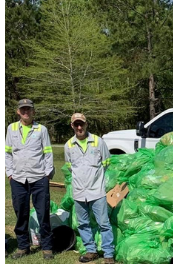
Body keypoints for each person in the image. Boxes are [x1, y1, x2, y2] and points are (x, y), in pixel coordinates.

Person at [5, 99, 54, 260]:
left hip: (39, 177)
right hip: (18, 178)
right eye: (23, 109)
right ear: (18, 111)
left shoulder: (41, 130)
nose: (26, 112)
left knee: (43, 213)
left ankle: (47, 247)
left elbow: (47, 152)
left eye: (29, 109)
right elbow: (7, 153)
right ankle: (23, 246)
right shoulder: (11, 128)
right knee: (21, 214)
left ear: (33, 111)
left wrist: (47, 174)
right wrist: (10, 173)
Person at [65, 113, 115, 264]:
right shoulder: (68, 145)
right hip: (79, 192)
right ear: (72, 126)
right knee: (83, 223)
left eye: (82, 124)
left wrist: (95, 179)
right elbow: (70, 168)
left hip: (97, 191)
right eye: (76, 124)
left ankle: (108, 254)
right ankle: (90, 251)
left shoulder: (98, 142)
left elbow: (106, 163)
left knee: (104, 224)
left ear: (86, 124)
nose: (79, 127)